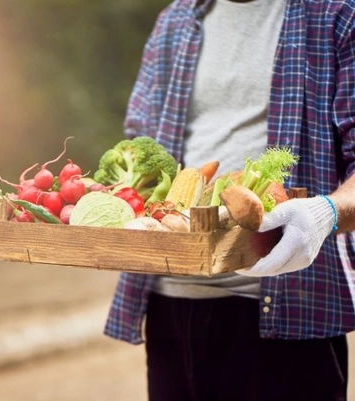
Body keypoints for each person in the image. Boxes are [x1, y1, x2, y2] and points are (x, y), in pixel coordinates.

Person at [104, 0, 355, 400]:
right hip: (170, 302)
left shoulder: (337, 15)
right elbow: (138, 145)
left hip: (288, 312)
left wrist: (326, 212)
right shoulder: (175, 20)